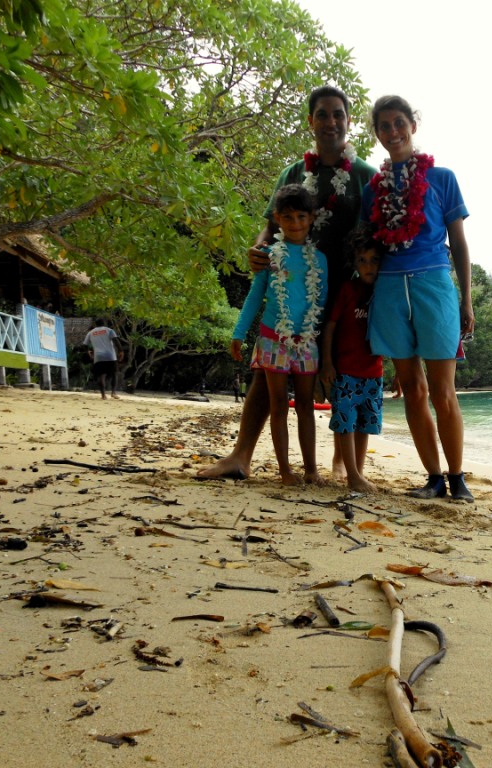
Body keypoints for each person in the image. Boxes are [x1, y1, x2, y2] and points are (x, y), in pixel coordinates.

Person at [198, 85, 376, 481]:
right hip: (289, 293)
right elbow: (268, 227)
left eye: (338, 114)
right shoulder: (294, 172)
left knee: (348, 372)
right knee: (266, 377)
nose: (331, 122)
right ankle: (240, 456)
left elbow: (377, 238)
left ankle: (343, 462)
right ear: (311, 121)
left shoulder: (365, 175)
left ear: (348, 121)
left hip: (346, 292)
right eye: (322, 114)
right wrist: (259, 250)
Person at [361, 95, 474, 502]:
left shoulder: (442, 178)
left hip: (434, 286)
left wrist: (466, 299)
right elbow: (368, 248)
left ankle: (458, 478)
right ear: (377, 133)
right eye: (384, 126)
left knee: (443, 390)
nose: (393, 131)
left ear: (413, 124)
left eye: (399, 122)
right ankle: (433, 478)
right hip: (390, 290)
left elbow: (459, 243)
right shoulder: (374, 190)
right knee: (412, 388)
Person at [230, 185, 327, 486]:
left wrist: (322, 347)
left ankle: (311, 470)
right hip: (273, 339)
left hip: (306, 342)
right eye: (288, 217)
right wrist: (238, 333)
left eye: (301, 216)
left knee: (306, 407)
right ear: (277, 218)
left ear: (312, 218)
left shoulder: (320, 260)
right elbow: (254, 296)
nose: (295, 223)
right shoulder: (269, 256)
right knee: (278, 405)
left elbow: (322, 303)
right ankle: (285, 470)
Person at [319, 226, 384, 492]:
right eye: (362, 260)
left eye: (374, 260)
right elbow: (330, 326)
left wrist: (399, 372)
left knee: (365, 424)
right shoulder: (347, 289)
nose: (368, 266)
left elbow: (394, 333)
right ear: (354, 263)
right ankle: (352, 475)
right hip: (345, 371)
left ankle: (358, 472)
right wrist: (327, 362)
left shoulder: (383, 292)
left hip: (374, 372)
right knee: (345, 423)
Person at [83, 321, 124, 399]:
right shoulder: (109, 330)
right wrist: (121, 351)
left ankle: (103, 395)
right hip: (110, 356)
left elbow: (85, 345)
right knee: (114, 374)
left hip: (98, 357)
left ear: (95, 324)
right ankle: (113, 393)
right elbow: (116, 341)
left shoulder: (91, 332)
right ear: (104, 324)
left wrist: (88, 352)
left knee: (101, 375)